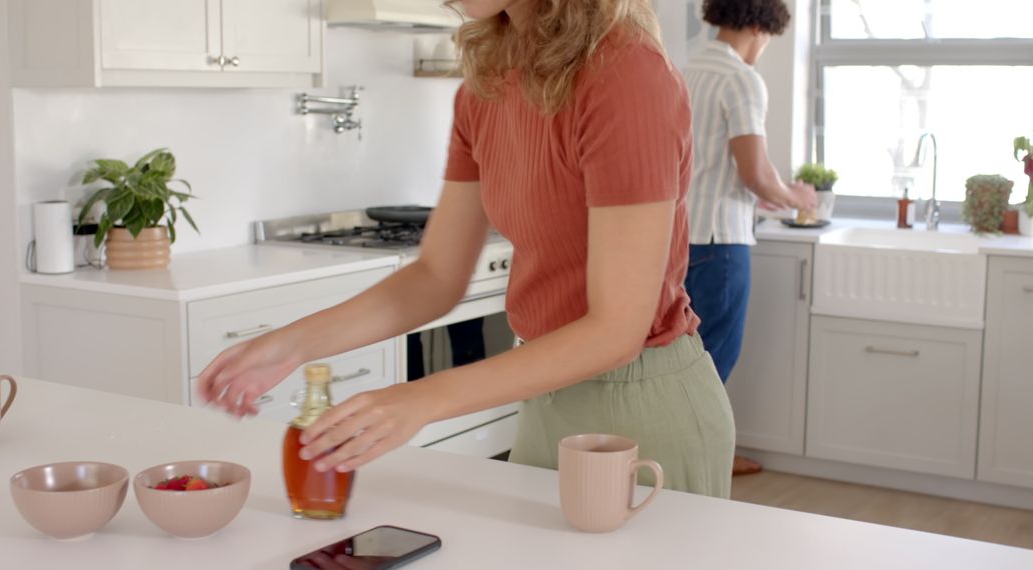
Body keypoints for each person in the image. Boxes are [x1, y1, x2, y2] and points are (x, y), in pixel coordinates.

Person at [198, 0, 735, 497]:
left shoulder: (625, 76)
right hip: (546, 398)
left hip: (642, 406)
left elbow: (616, 331)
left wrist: (419, 399)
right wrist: (287, 347)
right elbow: (435, 276)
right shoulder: (484, 89)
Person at [682, 0, 816, 476]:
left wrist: (769, 191)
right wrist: (798, 197)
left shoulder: (684, 68)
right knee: (714, 358)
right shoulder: (741, 79)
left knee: (674, 361)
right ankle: (702, 459)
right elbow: (755, 173)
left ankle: (676, 455)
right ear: (760, 25)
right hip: (720, 242)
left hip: (675, 240)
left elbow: (707, 165)